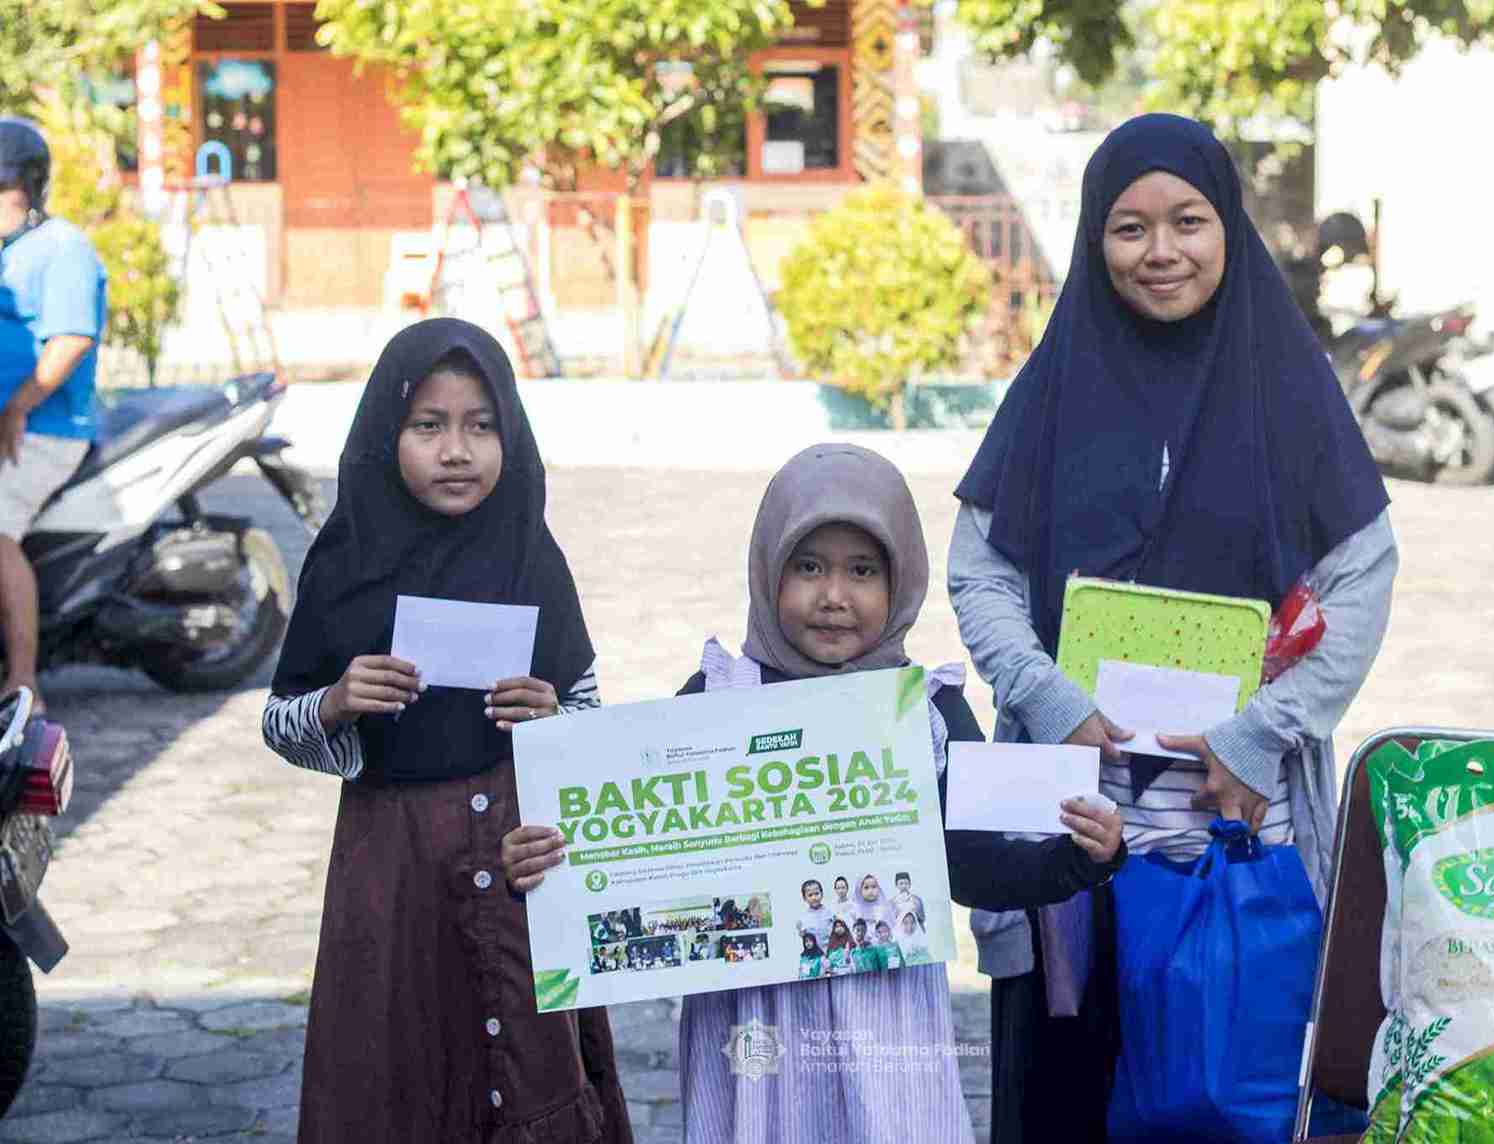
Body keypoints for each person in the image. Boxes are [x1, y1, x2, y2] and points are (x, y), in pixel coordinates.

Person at [949, 114, 1397, 1142]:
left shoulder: (1287, 385)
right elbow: (981, 567)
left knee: (1221, 1080)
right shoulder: (1055, 384)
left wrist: (1261, 733)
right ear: (1092, 243)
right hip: (1068, 802)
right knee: (1068, 1078)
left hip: (1237, 800)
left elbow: (1363, 575)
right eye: (1130, 228)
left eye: (1188, 222)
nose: (1161, 252)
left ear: (1228, 227)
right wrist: (1046, 694)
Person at [580, 442, 1124, 1143]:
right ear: (768, 568)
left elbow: (977, 864)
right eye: (808, 567)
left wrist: (1082, 856)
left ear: (898, 582)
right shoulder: (715, 702)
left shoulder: (927, 712)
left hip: (887, 1023)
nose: (834, 596)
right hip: (753, 1026)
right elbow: (638, 856)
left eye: (862, 571)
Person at [260, 319, 630, 1143]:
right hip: (390, 866)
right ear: (386, 434)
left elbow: (589, 710)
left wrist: (552, 716)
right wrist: (335, 701)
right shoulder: (346, 559)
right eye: (428, 426)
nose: (456, 450)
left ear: (511, 435)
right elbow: (279, 722)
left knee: (529, 1064)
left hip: (518, 854)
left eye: (481, 425)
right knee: (397, 1066)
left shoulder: (530, 553)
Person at [0, 118, 104, 708]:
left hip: (47, 427)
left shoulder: (62, 247)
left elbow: (69, 340)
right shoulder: (15, 251)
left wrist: (16, 407)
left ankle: (22, 679)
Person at [794, 878, 835, 948]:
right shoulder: (803, 918)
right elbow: (804, 938)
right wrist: (800, 931)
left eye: (816, 894)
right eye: (810, 895)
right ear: (804, 898)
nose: (814, 897)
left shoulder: (830, 913)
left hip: (831, 951)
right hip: (815, 954)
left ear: (822, 894)